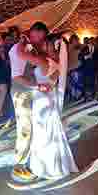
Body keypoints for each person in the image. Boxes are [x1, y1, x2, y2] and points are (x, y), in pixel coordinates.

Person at [29, 36, 79, 179]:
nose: (42, 46)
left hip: (43, 99)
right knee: (48, 131)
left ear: (50, 46)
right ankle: (50, 163)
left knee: (43, 131)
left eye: (45, 44)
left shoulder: (45, 61)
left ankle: (46, 165)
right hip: (47, 97)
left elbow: (48, 81)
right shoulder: (57, 62)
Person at [9, 22, 52, 179]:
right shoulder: (17, 50)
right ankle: (18, 166)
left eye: (41, 39)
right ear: (32, 33)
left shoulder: (30, 48)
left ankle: (27, 158)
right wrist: (38, 86)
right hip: (21, 93)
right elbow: (17, 77)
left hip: (29, 92)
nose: (39, 41)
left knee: (31, 127)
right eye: (37, 37)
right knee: (25, 129)